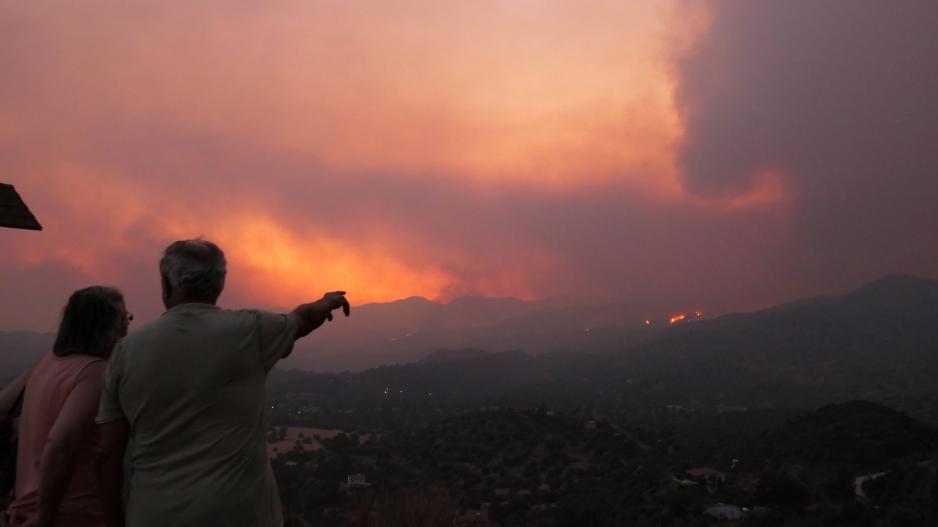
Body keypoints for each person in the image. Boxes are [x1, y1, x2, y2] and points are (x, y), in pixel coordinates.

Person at [95, 239, 350, 527]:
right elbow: (302, 319)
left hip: (156, 514)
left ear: (166, 285)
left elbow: (107, 453)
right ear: (220, 284)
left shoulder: (125, 352)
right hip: (242, 515)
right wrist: (328, 300)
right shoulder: (252, 331)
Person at [0, 286, 131, 527]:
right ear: (102, 328)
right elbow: (60, 442)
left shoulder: (47, 363)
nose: (127, 328)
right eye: (123, 319)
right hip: (74, 513)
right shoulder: (95, 372)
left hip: (22, 506)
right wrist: (45, 516)